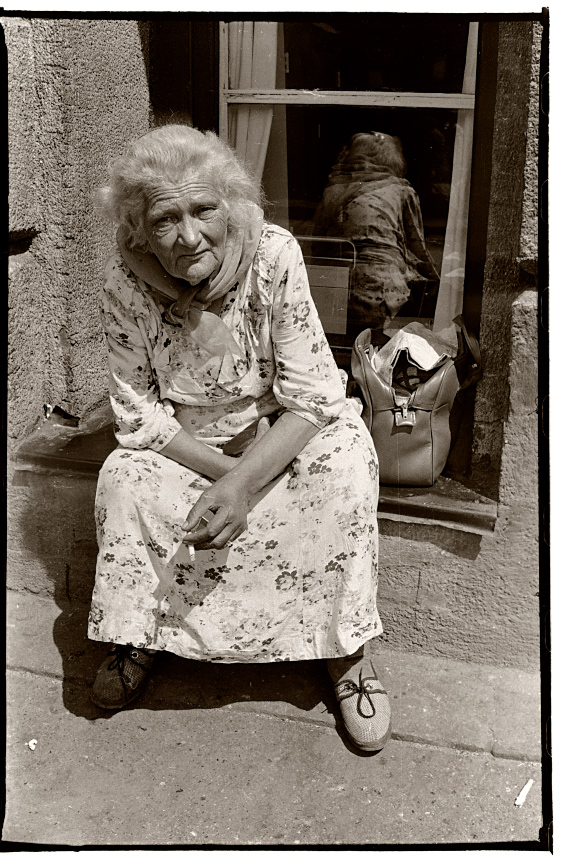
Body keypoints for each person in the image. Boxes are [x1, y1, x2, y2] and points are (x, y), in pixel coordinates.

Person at [88, 123, 390, 753]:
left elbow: (311, 397)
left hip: (280, 435)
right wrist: (220, 474)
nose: (190, 235)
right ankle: (142, 634)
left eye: (205, 209)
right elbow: (140, 415)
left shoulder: (274, 255)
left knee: (346, 464)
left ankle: (344, 650)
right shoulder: (122, 282)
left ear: (231, 205)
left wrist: (241, 483)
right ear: (139, 227)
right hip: (190, 447)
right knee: (123, 478)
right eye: (165, 219)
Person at [313, 131, 439, 331]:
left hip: (333, 289)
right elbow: (417, 247)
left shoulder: (331, 191)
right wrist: (441, 281)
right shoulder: (401, 191)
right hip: (383, 292)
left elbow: (317, 243)